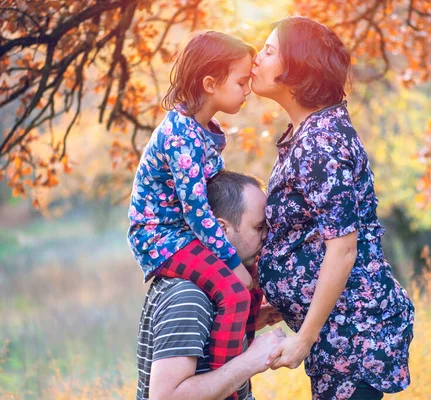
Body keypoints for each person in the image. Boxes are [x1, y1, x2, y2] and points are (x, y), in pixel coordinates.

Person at [251, 17, 415, 399]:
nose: (255, 58)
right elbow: (307, 237)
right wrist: (279, 301)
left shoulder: (321, 142)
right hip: (339, 338)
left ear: (297, 69)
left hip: (354, 338)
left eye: (269, 51)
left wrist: (303, 340)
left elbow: (342, 250)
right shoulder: (309, 134)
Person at [127, 31, 259, 394]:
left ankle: (233, 363)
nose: (248, 89)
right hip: (161, 237)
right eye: (242, 81)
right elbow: (198, 210)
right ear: (211, 83)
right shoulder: (181, 135)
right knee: (234, 291)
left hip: (183, 233)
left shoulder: (203, 129)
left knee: (251, 287)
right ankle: (225, 386)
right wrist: (232, 262)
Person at [136, 170, 284, 400]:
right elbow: (166, 397)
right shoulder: (188, 296)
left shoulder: (209, 287)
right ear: (220, 229)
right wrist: (251, 361)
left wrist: (253, 321)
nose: (267, 236)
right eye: (258, 227)